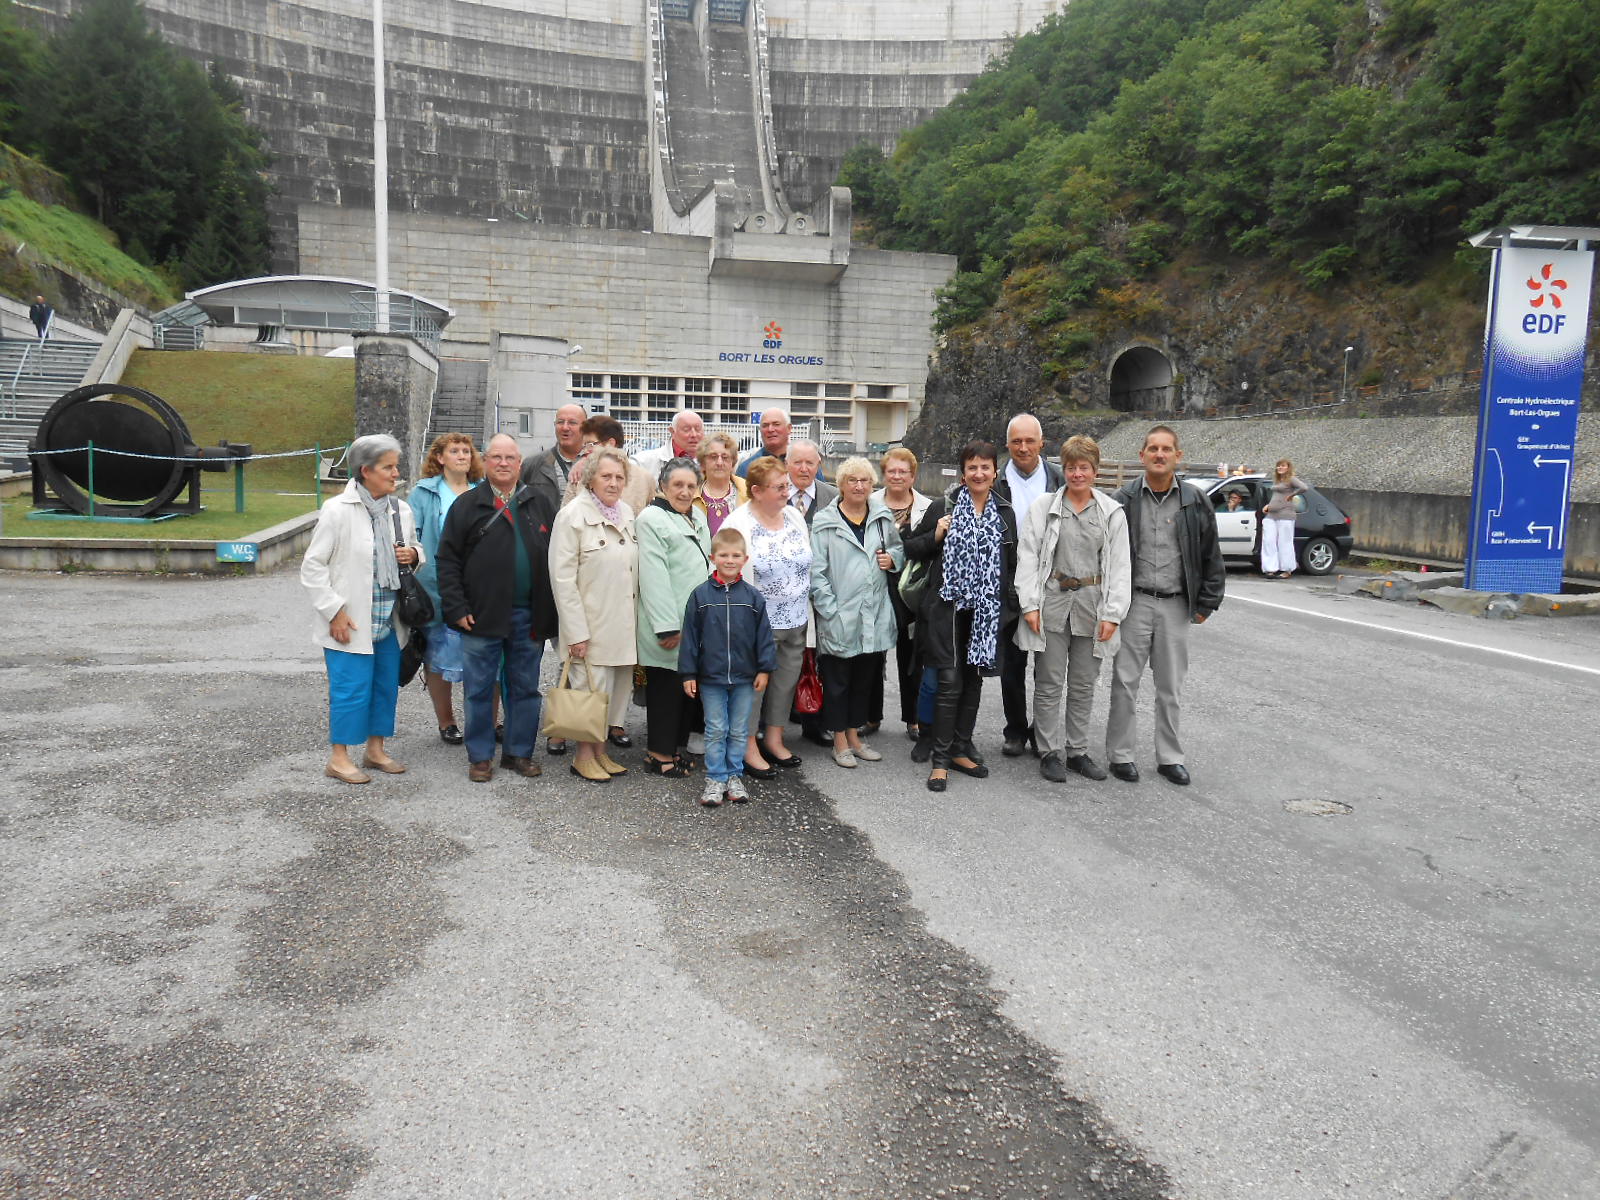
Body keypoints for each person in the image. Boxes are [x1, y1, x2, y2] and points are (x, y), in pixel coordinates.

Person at [1105, 425, 1226, 787]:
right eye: (1153, 449)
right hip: (1134, 603)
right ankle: (1120, 755)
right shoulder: (1123, 499)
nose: (1159, 455)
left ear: (1178, 455)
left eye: (1166, 449)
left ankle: (1170, 757)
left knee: (1170, 687)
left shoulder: (1194, 500)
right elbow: (1107, 554)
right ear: (1141, 455)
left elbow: (1210, 553)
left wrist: (1208, 602)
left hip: (1175, 605)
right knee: (1124, 683)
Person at [436, 435, 559, 782]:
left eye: (510, 458)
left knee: (525, 688)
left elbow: (559, 556)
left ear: (520, 463)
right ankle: (480, 756)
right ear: (485, 462)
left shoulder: (540, 501)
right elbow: (447, 560)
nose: (503, 463)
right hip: (481, 615)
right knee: (478, 687)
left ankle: (519, 753)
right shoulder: (468, 505)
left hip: (528, 615)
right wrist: (457, 607)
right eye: (496, 457)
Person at [300, 433, 422, 785]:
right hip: (350, 619)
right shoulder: (338, 511)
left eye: (395, 465)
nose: (395, 472)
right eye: (388, 466)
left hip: (389, 618)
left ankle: (375, 750)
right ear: (365, 470)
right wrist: (333, 611)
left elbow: (416, 550)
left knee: (384, 686)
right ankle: (339, 758)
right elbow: (313, 566)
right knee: (350, 688)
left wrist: (413, 555)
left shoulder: (401, 509)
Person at [1015, 435, 1132, 784]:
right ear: (1062, 470)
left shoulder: (1111, 512)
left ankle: (1077, 750)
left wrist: (1113, 613)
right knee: (1048, 681)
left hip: (1091, 605)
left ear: (1095, 471)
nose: (1077, 474)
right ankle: (1049, 750)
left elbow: (1122, 566)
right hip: (1052, 601)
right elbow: (1028, 556)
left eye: (1084, 467)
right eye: (1071, 468)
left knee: (1083, 683)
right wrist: (1029, 604)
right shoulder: (1044, 507)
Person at [903, 441, 1018, 794]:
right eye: (972, 468)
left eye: (985, 467)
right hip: (947, 608)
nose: (979, 473)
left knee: (973, 681)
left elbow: (1010, 565)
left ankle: (959, 748)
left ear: (995, 472)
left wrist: (1009, 606)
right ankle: (940, 761)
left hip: (985, 611)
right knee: (950, 681)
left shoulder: (1004, 512)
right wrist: (937, 534)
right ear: (963, 473)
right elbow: (910, 547)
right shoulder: (945, 505)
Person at [549, 447, 640, 782]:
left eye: (619, 477)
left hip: (622, 623)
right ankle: (583, 756)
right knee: (590, 690)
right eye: (606, 476)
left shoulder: (627, 512)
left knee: (615, 692)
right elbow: (562, 578)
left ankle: (601, 753)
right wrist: (575, 632)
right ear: (590, 479)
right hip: (590, 625)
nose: (613, 483)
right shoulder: (572, 515)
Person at [809, 457, 903, 767]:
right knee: (838, 682)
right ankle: (838, 740)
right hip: (840, 614)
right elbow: (817, 572)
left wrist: (892, 559)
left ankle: (854, 735)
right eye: (852, 480)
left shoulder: (881, 517)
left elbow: (897, 548)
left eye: (864, 480)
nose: (859, 486)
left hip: (874, 612)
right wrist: (829, 610)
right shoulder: (826, 521)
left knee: (864, 680)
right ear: (842, 485)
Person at [722, 456, 810, 778]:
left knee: (785, 682)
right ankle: (747, 746)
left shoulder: (793, 517)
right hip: (757, 622)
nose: (787, 491)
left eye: (786, 485)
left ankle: (774, 738)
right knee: (753, 686)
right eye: (779, 487)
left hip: (796, 618)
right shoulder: (738, 523)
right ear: (757, 491)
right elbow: (725, 572)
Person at [680, 528, 777, 807]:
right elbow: (690, 638)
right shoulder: (700, 596)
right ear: (713, 558)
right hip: (711, 678)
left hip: (745, 678)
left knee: (738, 729)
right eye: (724, 555)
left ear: (745, 559)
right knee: (715, 728)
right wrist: (688, 673)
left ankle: (734, 775)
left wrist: (764, 669)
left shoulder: (753, 597)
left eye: (736, 555)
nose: (730, 560)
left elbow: (764, 637)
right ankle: (715, 778)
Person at [994, 413, 1064, 758]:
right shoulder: (995, 481)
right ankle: (1015, 729)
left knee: (1049, 665)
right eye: (1016, 441)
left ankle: (1043, 730)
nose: (1023, 448)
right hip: (1008, 583)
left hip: (1051, 584)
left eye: (1029, 441)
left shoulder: (1059, 480)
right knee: (1012, 664)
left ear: (1042, 443)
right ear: (1007, 444)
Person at [635, 457, 712, 777]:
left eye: (690, 486)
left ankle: (673, 748)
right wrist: (666, 626)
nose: (684, 491)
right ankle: (658, 754)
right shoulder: (652, 518)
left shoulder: (696, 517)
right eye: (677, 485)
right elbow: (654, 575)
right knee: (665, 689)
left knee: (685, 688)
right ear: (663, 486)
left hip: (695, 621)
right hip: (667, 622)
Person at [408, 433, 484, 745]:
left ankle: (482, 720)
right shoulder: (424, 492)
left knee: (481, 657)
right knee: (438, 654)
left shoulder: (482, 490)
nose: (462, 455)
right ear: (440, 458)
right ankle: (447, 721)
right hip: (436, 586)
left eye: (466, 450)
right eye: (454, 451)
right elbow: (413, 534)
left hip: (477, 586)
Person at [873, 446, 933, 742]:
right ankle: (870, 715)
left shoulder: (927, 507)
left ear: (913, 475)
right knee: (871, 656)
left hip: (910, 594)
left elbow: (930, 548)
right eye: (891, 471)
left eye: (903, 471)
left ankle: (914, 718)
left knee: (912, 658)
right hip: (873, 590)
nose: (897, 476)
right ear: (883, 474)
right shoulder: (868, 501)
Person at [562, 414, 656, 516]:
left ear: (611, 443)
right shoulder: (579, 475)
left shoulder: (645, 479)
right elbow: (565, 517)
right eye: (584, 445)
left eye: (590, 444)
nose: (586, 450)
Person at [520, 402, 587, 511]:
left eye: (572, 422)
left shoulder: (597, 464)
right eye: (560, 422)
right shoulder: (533, 464)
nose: (565, 427)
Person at [1262, 458, 1308, 578]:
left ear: (1288, 467)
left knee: (1284, 542)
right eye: (1278, 466)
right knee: (1269, 541)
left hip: (1285, 515)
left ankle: (1287, 569)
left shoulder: (1291, 479)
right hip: (1271, 514)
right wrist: (1268, 505)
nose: (1280, 468)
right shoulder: (1277, 480)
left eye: (1283, 466)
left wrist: (1292, 495)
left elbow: (1304, 487)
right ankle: (1270, 568)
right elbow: (1276, 496)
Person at [694, 432, 748, 534]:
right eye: (713, 457)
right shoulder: (691, 495)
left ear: (733, 462)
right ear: (703, 462)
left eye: (725, 457)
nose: (719, 462)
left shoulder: (749, 492)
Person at [634, 410, 705, 480]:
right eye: (686, 429)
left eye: (698, 429)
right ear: (672, 432)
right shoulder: (641, 463)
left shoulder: (711, 462)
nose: (694, 435)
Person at [786, 439, 837, 525]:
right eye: (797, 463)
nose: (804, 469)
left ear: (818, 465)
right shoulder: (770, 495)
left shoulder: (834, 498)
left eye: (809, 463)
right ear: (786, 464)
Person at [736, 408, 792, 478]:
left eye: (776, 424)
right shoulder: (748, 468)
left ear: (789, 428)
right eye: (765, 425)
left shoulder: (802, 463)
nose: (770, 429)